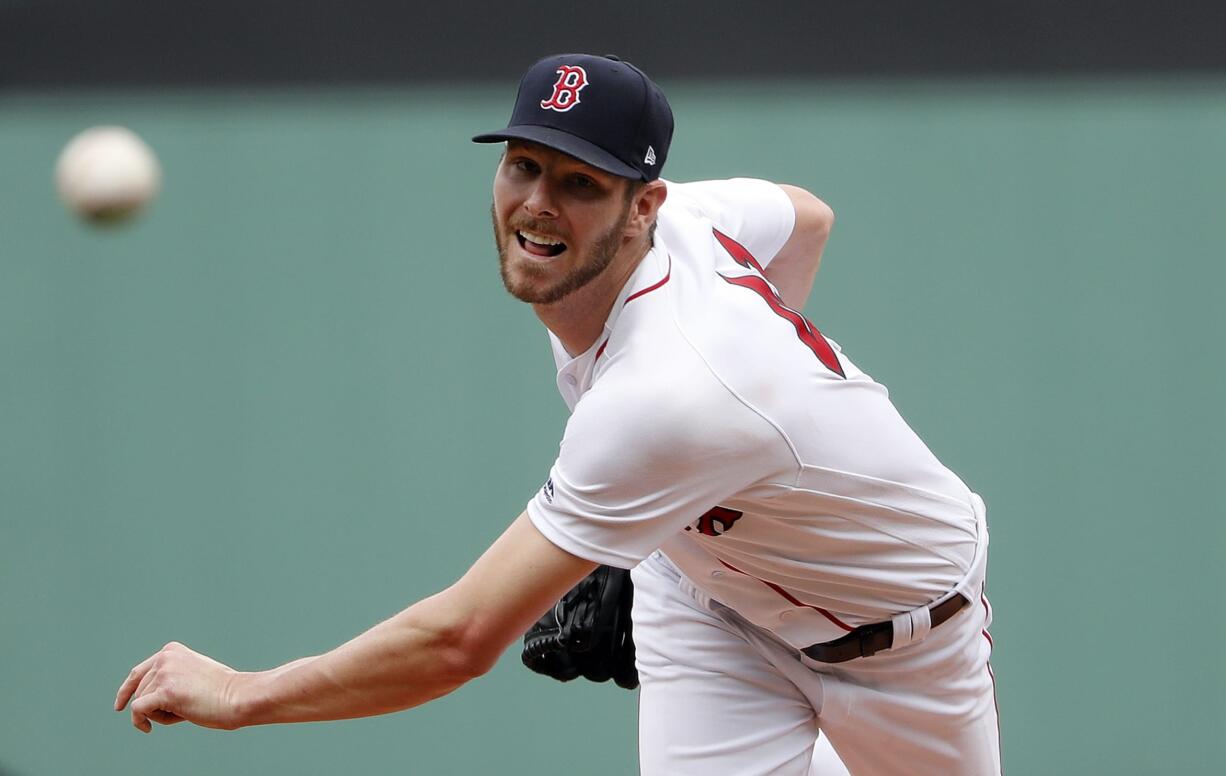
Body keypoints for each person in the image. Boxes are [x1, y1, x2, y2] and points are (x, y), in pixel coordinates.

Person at [115, 53, 1000, 775]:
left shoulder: (668, 391)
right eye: (523, 163)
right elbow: (809, 217)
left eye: (580, 182)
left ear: (640, 207)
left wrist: (240, 695)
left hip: (900, 645)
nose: (537, 203)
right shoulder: (686, 219)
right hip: (708, 604)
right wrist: (697, 495)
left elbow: (458, 640)